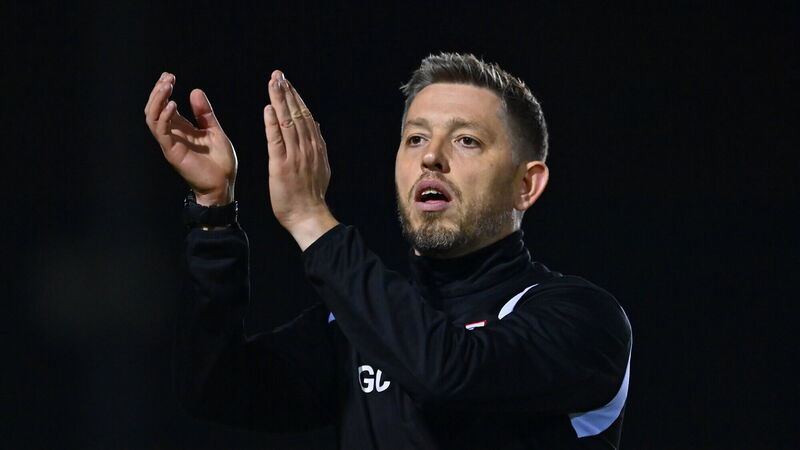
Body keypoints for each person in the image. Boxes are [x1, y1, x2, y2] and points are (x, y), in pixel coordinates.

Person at [144, 52, 632, 449]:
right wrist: (213, 217)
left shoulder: (582, 319)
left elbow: (447, 373)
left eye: (466, 140)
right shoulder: (357, 323)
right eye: (415, 138)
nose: (431, 157)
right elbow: (213, 388)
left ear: (526, 185)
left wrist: (313, 220)